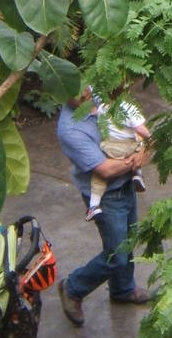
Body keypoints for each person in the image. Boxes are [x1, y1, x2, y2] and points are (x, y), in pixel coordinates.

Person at [55, 87, 152, 326]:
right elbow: (105, 169)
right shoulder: (70, 129)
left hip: (126, 184)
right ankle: (73, 287)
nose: (86, 94)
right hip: (106, 196)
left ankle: (122, 289)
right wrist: (135, 158)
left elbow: (133, 121)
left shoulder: (98, 97)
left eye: (86, 87)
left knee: (128, 239)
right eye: (77, 91)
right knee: (116, 255)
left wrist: (141, 144)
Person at [86, 95, 151, 219]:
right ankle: (137, 173)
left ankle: (93, 205)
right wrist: (151, 137)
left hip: (108, 147)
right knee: (141, 146)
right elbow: (140, 129)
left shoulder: (103, 106)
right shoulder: (129, 107)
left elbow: (93, 112)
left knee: (98, 177)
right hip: (127, 147)